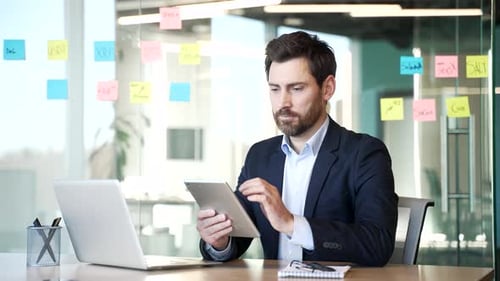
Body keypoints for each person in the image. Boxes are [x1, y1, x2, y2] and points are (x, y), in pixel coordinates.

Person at [196, 31, 398, 266]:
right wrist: (219, 241)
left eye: (296, 88)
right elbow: (239, 237)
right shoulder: (259, 156)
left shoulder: (365, 154)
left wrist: (292, 224)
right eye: (275, 89)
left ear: (327, 88)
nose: (283, 102)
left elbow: (377, 244)